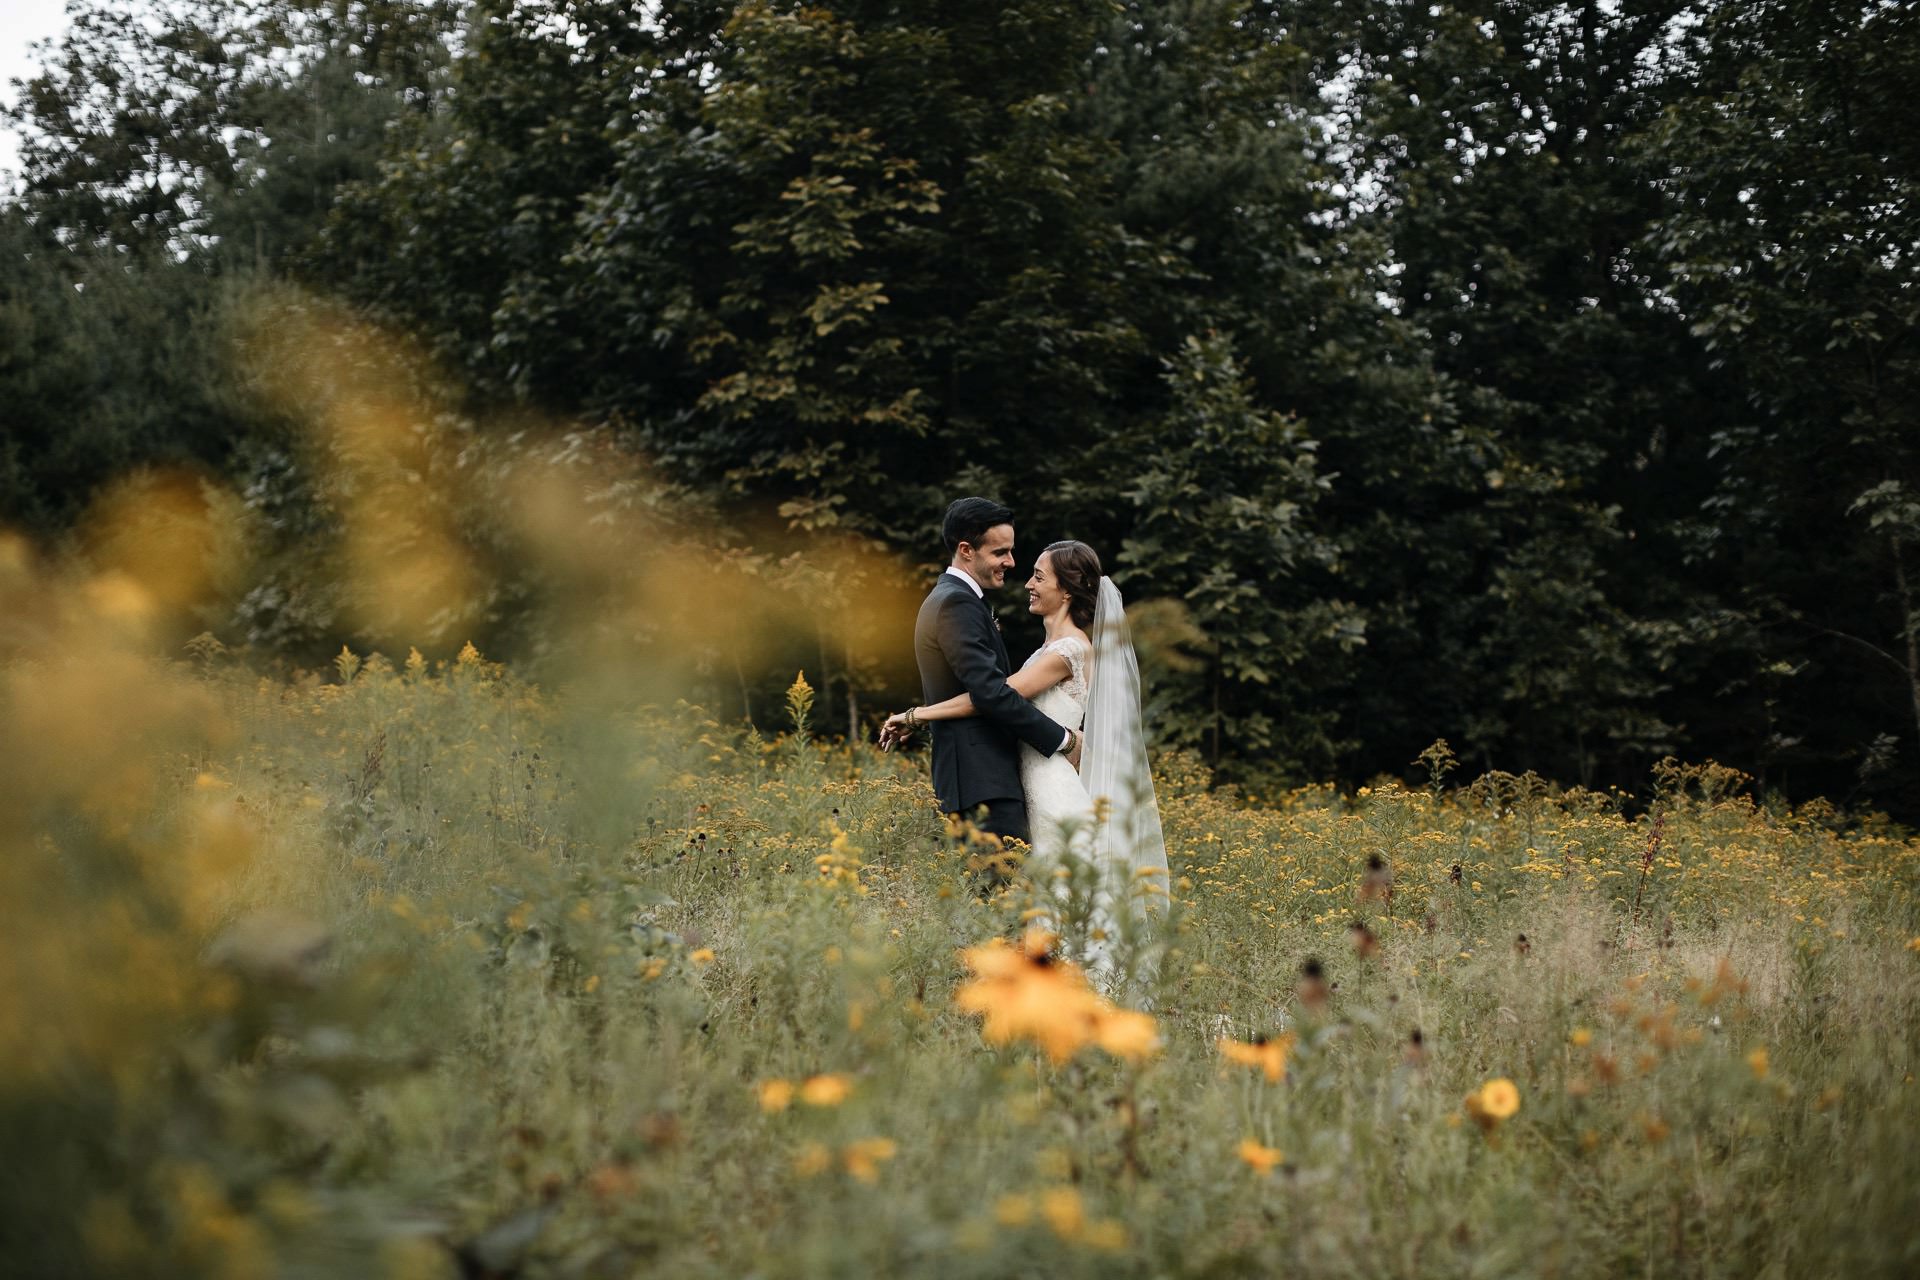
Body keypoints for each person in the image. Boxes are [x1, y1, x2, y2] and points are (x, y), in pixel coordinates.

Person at [884, 529, 1169, 977]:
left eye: (1039, 577)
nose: (1029, 584)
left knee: (1053, 898)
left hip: (1051, 788)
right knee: (1039, 900)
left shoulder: (1069, 649)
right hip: (1033, 781)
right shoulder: (1049, 650)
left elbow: (992, 697)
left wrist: (918, 714)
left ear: (1068, 590)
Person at [889, 498, 1081, 851]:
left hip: (983, 779)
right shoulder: (955, 604)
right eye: (1000, 552)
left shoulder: (957, 600)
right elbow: (991, 693)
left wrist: (919, 716)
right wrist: (1064, 741)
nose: (1010, 562)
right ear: (966, 550)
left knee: (999, 897)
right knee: (1000, 897)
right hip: (983, 782)